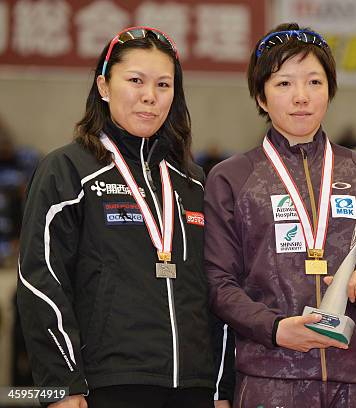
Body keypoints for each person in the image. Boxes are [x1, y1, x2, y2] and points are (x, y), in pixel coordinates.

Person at [204, 23, 356, 408]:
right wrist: (276, 329)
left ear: (329, 89)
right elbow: (219, 284)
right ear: (261, 97)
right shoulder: (232, 178)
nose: (301, 97)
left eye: (314, 82)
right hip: (271, 377)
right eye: (283, 84)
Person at [17, 27, 219, 408]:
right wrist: (61, 384)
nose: (150, 96)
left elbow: (215, 286)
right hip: (105, 385)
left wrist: (221, 388)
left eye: (163, 84)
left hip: (193, 386)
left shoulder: (193, 181)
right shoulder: (67, 170)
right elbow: (40, 279)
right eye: (135, 80)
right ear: (104, 86)